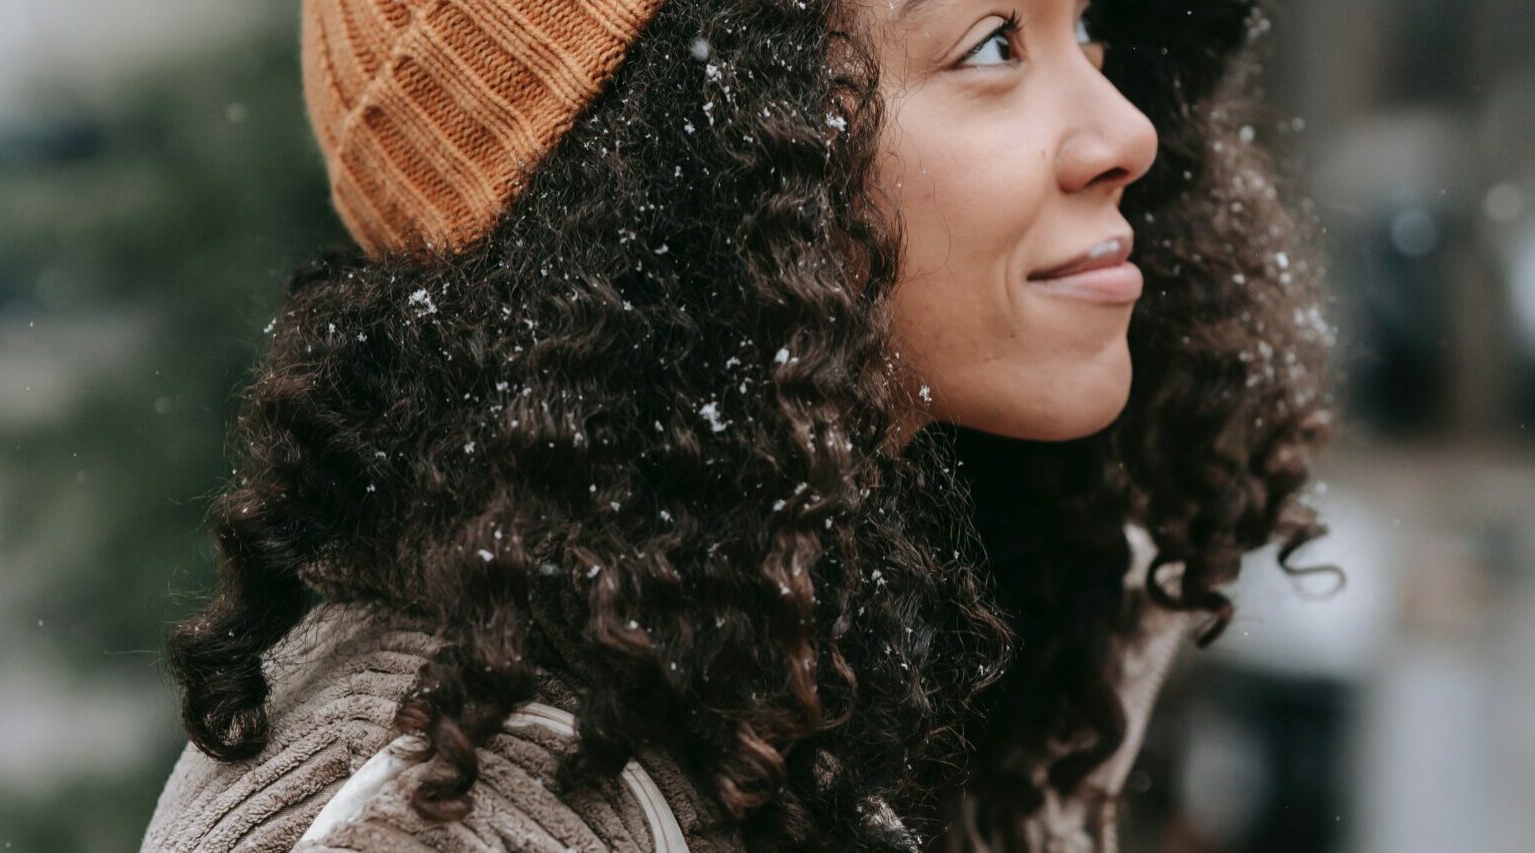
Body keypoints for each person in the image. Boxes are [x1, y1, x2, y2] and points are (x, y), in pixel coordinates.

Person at [140, 0, 1337, 849]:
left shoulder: (912, 650)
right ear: (693, 174)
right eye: (991, 45)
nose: (1127, 131)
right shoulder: (445, 812)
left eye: (1085, 27)